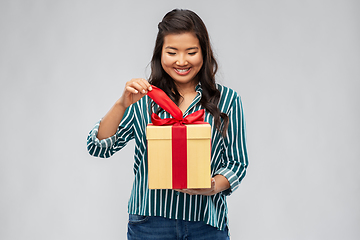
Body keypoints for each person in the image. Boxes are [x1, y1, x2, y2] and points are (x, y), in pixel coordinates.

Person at [87, 9, 248, 240]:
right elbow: (98, 147)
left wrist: (212, 186)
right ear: (160, 54)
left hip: (206, 222)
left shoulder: (228, 101)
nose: (181, 61)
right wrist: (122, 104)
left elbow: (237, 163)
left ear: (204, 53)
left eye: (191, 52)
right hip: (150, 222)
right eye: (172, 52)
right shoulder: (144, 98)